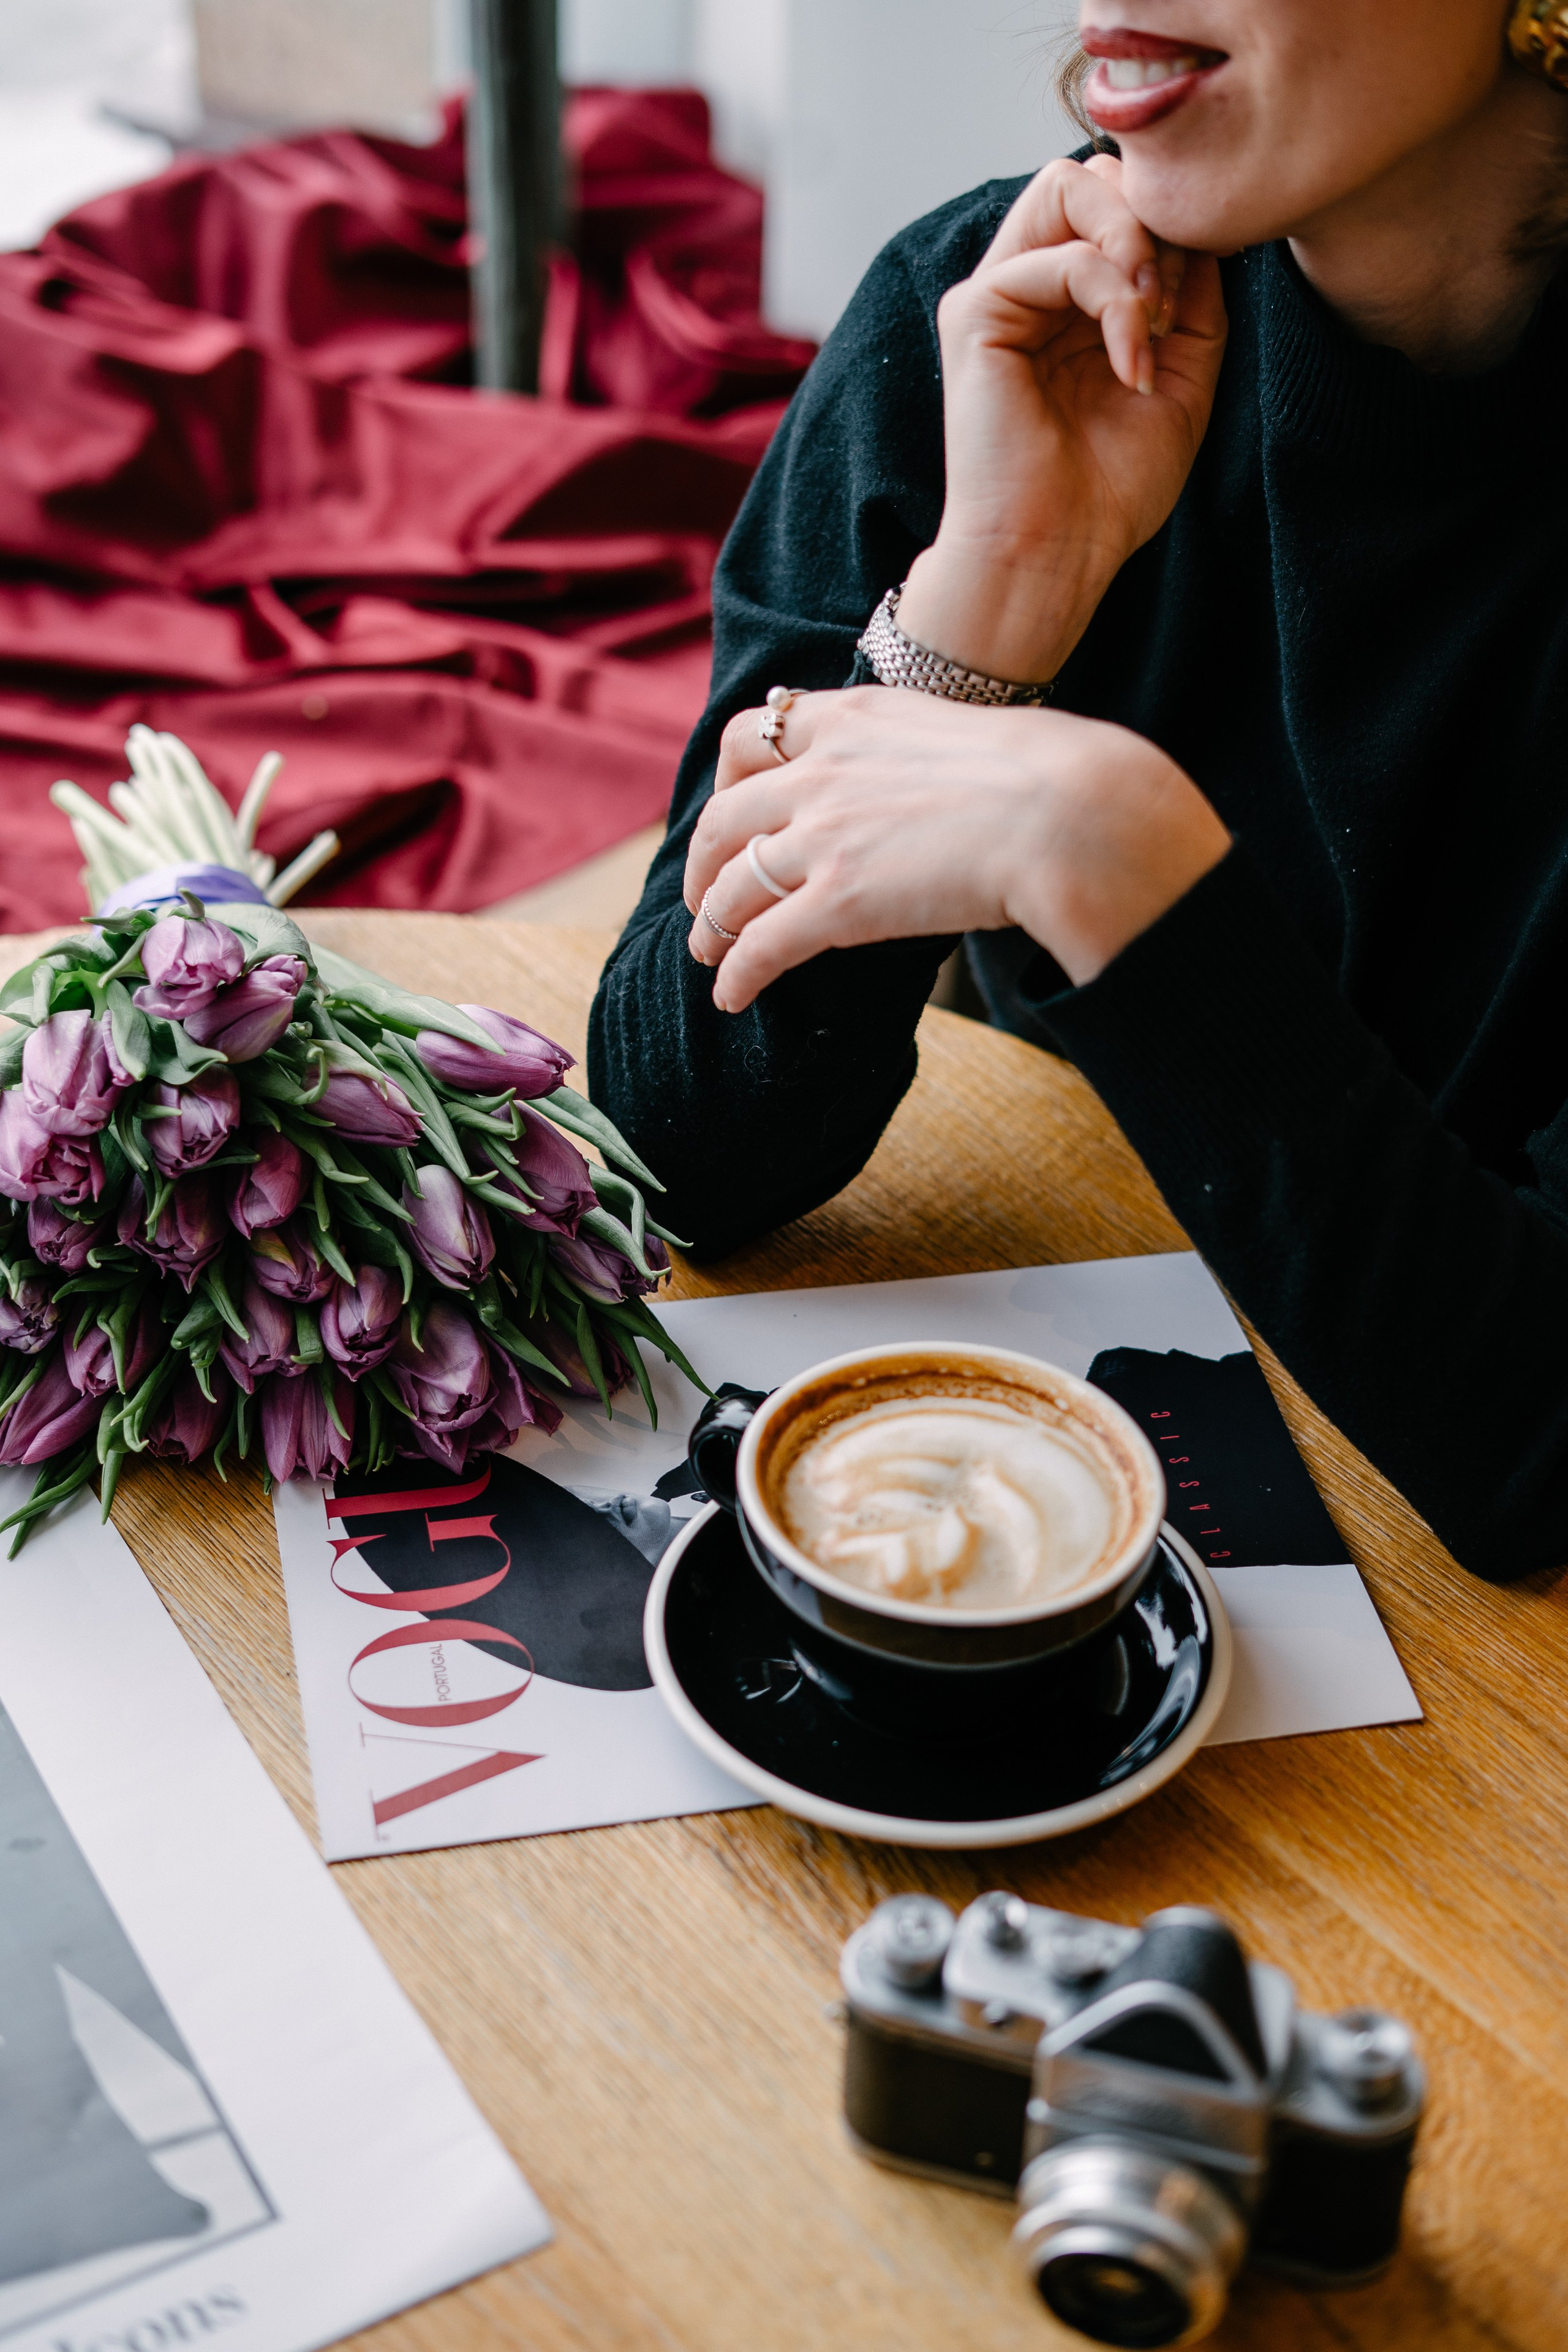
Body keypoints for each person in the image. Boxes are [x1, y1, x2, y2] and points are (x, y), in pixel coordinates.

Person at [589, 1, 1568, 1585]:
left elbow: (1536, 1443)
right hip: (1079, 1435)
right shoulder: (996, 315)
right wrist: (987, 601)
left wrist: (1104, 852)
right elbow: (672, 1150)